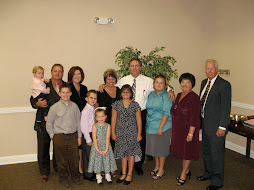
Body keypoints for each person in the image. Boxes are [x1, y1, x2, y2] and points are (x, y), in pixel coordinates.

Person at [99, 57, 175, 175]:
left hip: (142, 113)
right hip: (125, 115)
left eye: (136, 66)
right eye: (132, 66)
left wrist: (170, 91)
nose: (134, 68)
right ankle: (125, 165)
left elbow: (162, 86)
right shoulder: (123, 80)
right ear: (129, 68)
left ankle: (138, 165)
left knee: (140, 140)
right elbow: (111, 85)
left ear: (140, 67)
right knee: (125, 140)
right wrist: (102, 85)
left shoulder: (148, 81)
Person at [196, 59, 231, 190]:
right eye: (207, 68)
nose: (208, 71)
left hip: (217, 126)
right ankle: (208, 172)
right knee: (206, 150)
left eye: (211, 68)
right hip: (205, 123)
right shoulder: (204, 82)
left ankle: (217, 180)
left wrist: (222, 126)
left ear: (216, 69)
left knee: (216, 153)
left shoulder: (224, 85)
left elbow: (225, 108)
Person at [30, 63, 65, 182]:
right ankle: (44, 171)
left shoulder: (66, 85)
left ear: (63, 73)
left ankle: (57, 167)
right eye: (55, 71)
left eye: (60, 71)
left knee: (58, 146)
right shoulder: (43, 83)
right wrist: (37, 103)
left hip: (60, 122)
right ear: (51, 72)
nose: (58, 73)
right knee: (43, 146)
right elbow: (32, 97)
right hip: (43, 121)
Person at [46, 84, 82, 187]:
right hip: (59, 136)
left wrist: (79, 136)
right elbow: (49, 123)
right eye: (63, 92)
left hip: (72, 136)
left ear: (70, 94)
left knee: (74, 158)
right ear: (59, 93)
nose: (65, 94)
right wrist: (53, 136)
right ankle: (64, 177)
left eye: (67, 92)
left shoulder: (74, 106)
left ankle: (75, 176)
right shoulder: (54, 107)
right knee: (61, 159)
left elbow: (78, 122)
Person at [170, 73, 201, 186]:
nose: (184, 84)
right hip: (178, 129)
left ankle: (184, 173)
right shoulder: (178, 95)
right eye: (183, 82)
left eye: (188, 82)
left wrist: (191, 133)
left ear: (192, 84)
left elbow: (195, 117)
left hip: (188, 130)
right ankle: (186, 170)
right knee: (182, 151)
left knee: (187, 152)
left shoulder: (194, 97)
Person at [111, 84, 142, 185]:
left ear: (131, 93)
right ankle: (123, 173)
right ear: (121, 93)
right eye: (123, 92)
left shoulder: (135, 105)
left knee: (131, 153)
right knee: (122, 153)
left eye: (127, 92)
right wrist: (113, 132)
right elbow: (113, 119)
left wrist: (139, 133)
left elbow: (139, 120)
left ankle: (129, 174)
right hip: (120, 132)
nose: (125, 94)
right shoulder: (116, 104)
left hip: (132, 132)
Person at [146, 75, 173, 180]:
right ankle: (157, 166)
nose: (159, 84)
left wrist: (160, 127)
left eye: (161, 83)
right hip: (151, 125)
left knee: (161, 148)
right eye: (157, 82)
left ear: (165, 85)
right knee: (155, 148)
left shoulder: (166, 96)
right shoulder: (151, 94)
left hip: (163, 126)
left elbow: (166, 113)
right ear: (153, 84)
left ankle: (161, 169)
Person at [88, 108, 117, 185]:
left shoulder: (108, 126)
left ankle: (108, 176)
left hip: (106, 146)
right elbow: (94, 138)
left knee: (106, 160)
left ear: (105, 117)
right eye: (99, 117)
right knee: (97, 162)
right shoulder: (94, 126)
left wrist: (106, 149)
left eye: (102, 116)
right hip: (96, 147)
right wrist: (97, 150)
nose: (101, 118)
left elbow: (107, 138)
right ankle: (98, 177)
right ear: (96, 118)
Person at [67, 66, 88, 174]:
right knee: (72, 145)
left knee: (80, 145)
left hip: (83, 120)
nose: (77, 76)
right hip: (71, 121)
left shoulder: (84, 88)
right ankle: (72, 167)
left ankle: (80, 167)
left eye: (79, 73)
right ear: (71, 76)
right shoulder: (67, 87)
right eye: (74, 74)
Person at [80, 90, 98, 181]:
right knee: (87, 155)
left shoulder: (93, 109)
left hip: (93, 133)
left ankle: (93, 172)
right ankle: (88, 174)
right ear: (86, 99)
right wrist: (88, 139)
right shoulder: (85, 111)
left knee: (92, 154)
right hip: (88, 135)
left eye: (95, 98)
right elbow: (83, 127)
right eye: (91, 98)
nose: (93, 100)